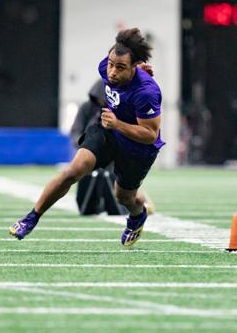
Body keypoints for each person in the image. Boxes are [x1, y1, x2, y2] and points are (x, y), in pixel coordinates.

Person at [10, 28, 164, 246]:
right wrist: (114, 124)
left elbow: (150, 135)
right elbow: (118, 63)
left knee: (124, 197)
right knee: (72, 171)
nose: (112, 72)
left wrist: (119, 123)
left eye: (120, 68)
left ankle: (137, 216)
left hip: (137, 148)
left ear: (133, 68)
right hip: (108, 133)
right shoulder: (106, 66)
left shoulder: (147, 92)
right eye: (111, 64)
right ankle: (32, 217)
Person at [71, 79, 156, 216]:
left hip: (115, 153)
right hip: (91, 152)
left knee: (121, 177)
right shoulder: (87, 108)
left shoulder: (120, 110)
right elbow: (76, 131)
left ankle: (140, 200)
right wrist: (84, 146)